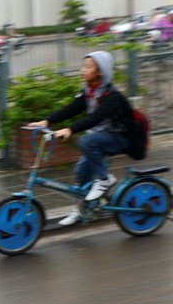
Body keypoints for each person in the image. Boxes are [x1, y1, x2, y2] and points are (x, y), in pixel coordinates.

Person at [28, 51, 134, 226]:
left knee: (85, 141)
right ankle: (84, 207)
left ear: (100, 71)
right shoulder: (89, 92)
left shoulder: (112, 96)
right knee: (81, 170)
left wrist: (71, 129)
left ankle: (104, 179)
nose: (83, 70)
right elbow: (72, 108)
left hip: (121, 137)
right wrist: (47, 121)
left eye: (89, 66)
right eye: (83, 66)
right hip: (101, 136)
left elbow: (96, 117)